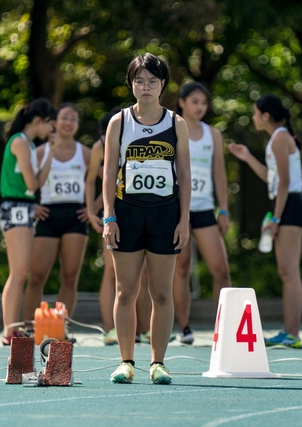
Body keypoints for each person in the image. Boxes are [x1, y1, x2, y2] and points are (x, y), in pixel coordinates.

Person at [103, 53, 190, 384]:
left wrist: (184, 221)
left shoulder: (175, 123)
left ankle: (158, 363)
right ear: (131, 84)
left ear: (163, 85)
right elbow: (109, 172)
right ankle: (126, 361)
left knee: (162, 293)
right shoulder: (119, 122)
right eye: (139, 81)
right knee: (125, 291)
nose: (146, 87)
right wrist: (109, 216)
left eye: (152, 81)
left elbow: (183, 172)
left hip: (165, 214)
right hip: (127, 212)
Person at [228, 93, 302, 348]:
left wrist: (275, 217)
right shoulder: (278, 138)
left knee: (289, 273)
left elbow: (284, 182)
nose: (253, 117)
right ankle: (290, 331)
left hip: (291, 207)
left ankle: (292, 333)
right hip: (288, 206)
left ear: (266, 115)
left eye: (255, 112)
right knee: (287, 272)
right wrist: (247, 157)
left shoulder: (280, 137)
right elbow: (271, 177)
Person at [85, 108, 152, 345]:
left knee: (143, 273)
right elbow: (93, 179)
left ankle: (143, 329)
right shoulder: (100, 146)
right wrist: (93, 211)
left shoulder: (141, 139)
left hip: (137, 209)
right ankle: (109, 329)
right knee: (112, 272)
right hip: (113, 213)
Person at [22, 103, 91, 329]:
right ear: (55, 122)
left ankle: (61, 325)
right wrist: (31, 206)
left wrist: (93, 208)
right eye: (64, 117)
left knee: (70, 276)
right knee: (37, 275)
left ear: (78, 125)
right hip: (47, 214)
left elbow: (111, 178)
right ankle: (29, 325)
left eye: (73, 118)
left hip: (75, 216)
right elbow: (21, 182)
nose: (68, 122)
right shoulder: (40, 151)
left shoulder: (86, 153)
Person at [173, 82, 231, 345]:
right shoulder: (171, 128)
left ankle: (224, 328)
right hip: (177, 209)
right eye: (195, 101)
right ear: (182, 102)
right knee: (181, 268)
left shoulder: (213, 134)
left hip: (205, 208)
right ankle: (184, 328)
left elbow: (219, 173)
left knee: (220, 269)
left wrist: (224, 209)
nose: (200, 107)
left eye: (204, 102)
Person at [0, 98, 57, 345]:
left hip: (24, 207)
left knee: (21, 271)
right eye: (50, 124)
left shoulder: (31, 146)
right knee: (18, 271)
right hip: (15, 207)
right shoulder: (20, 143)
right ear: (38, 121)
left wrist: (51, 152)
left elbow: (37, 183)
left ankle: (12, 327)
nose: (50, 130)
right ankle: (9, 329)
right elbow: (32, 184)